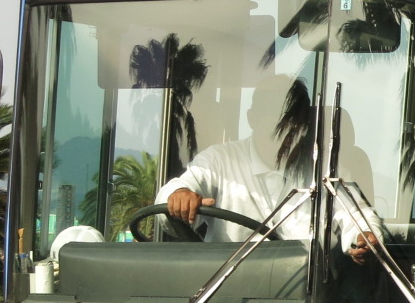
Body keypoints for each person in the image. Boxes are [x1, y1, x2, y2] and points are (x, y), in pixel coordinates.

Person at [156, 74, 373, 260]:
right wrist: (180, 195)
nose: (286, 136)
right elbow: (176, 193)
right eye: (277, 126)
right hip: (226, 286)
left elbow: (358, 216)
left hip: (307, 285)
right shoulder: (219, 160)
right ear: (252, 119)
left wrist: (364, 237)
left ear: (305, 126)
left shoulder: (326, 169)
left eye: (294, 125)